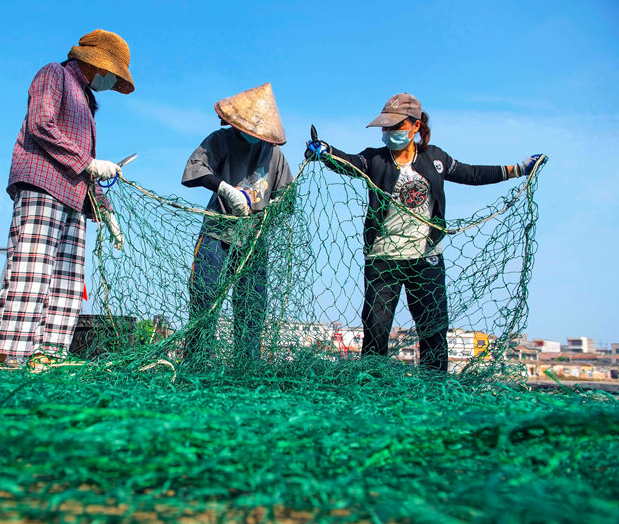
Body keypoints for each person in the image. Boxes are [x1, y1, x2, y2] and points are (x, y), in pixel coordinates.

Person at [306, 93, 546, 372]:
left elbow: (472, 173)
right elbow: (347, 163)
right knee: (376, 329)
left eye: (395, 127)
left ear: (415, 127)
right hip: (383, 259)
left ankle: (434, 390)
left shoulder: (435, 159)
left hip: (426, 259)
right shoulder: (374, 159)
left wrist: (518, 168)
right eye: (385, 128)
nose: (388, 133)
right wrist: (325, 151)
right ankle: (372, 387)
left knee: (432, 330)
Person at [0, 29, 134, 367]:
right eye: (113, 74)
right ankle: (8, 355)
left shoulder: (88, 102)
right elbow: (41, 124)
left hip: (73, 198)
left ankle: (48, 356)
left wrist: (106, 211)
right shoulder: (54, 74)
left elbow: (86, 165)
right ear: (99, 65)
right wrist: (90, 163)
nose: (113, 82)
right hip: (42, 186)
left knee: (68, 282)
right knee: (31, 271)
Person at [181, 83, 293, 362]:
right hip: (217, 233)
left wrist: (279, 204)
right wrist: (225, 189)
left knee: (251, 305)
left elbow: (287, 196)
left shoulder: (274, 153)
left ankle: (246, 364)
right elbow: (195, 170)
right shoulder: (221, 139)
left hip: (254, 240)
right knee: (205, 295)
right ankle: (197, 361)